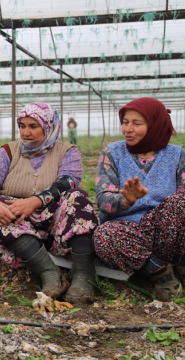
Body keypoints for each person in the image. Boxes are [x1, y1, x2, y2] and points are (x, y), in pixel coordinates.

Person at [0, 102, 98, 304]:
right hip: (19, 222)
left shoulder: (68, 151)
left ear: (49, 127)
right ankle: (49, 272)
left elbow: (68, 180)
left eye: (33, 126)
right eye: (22, 126)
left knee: (77, 197)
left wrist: (36, 201)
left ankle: (84, 275)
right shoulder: (7, 151)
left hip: (55, 225)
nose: (26, 132)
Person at [93, 97, 185, 301]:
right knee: (104, 236)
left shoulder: (177, 155)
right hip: (128, 231)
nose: (128, 129)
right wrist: (125, 201)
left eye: (137, 123)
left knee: (180, 204)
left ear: (154, 125)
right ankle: (160, 272)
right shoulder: (112, 153)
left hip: (166, 230)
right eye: (125, 122)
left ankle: (179, 261)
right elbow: (103, 200)